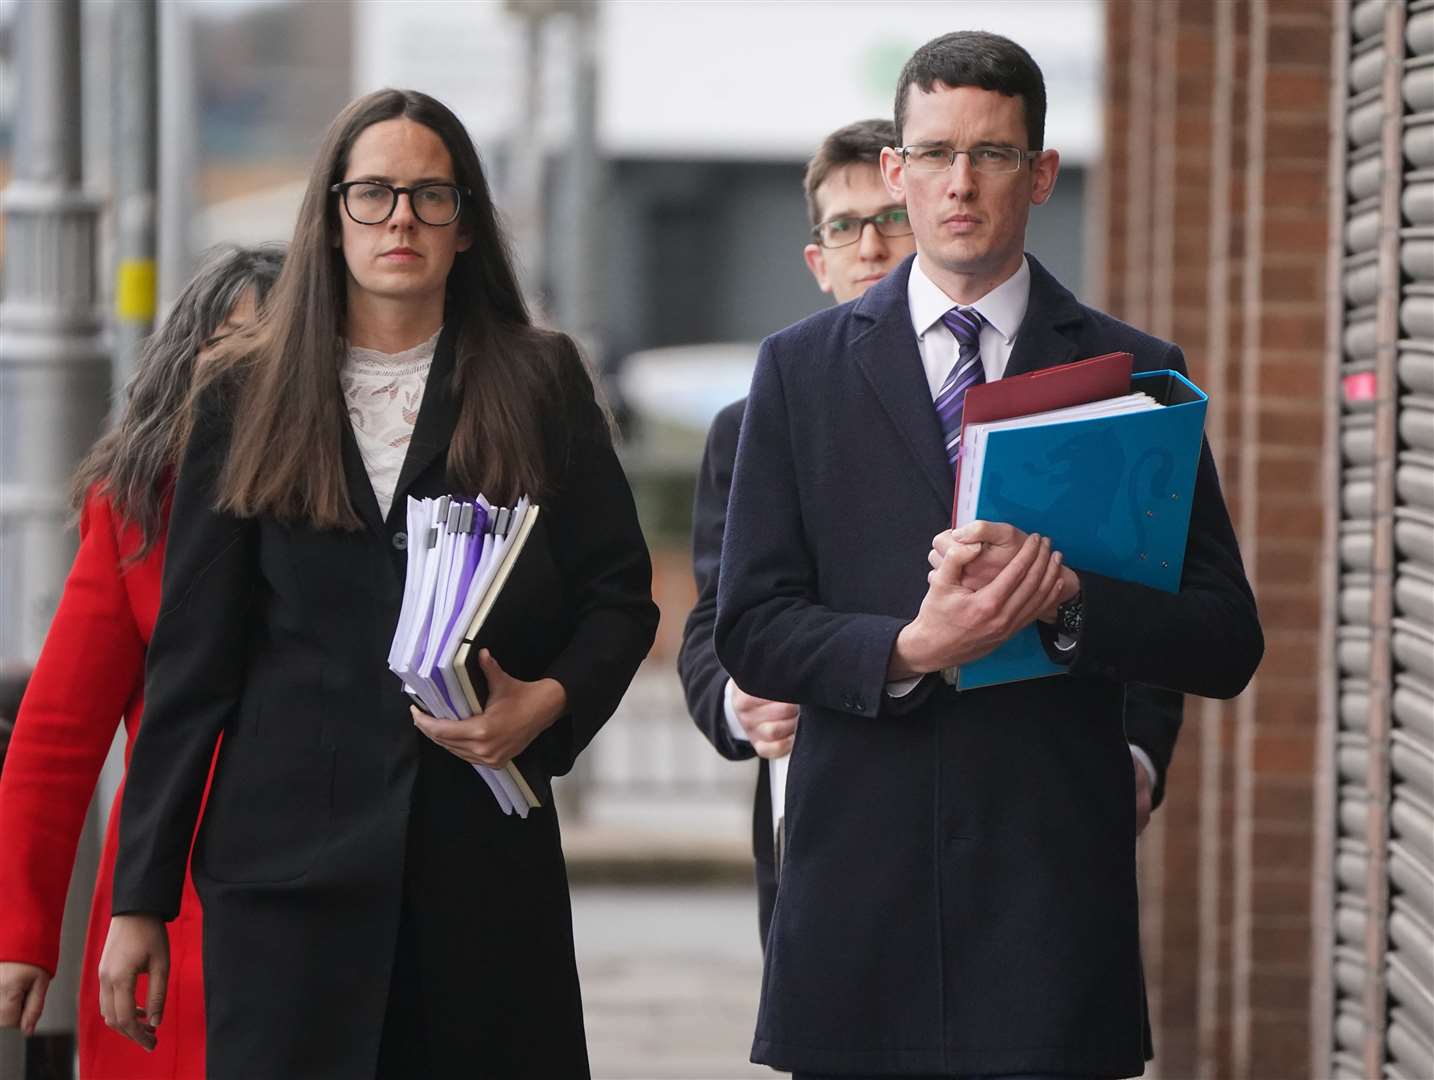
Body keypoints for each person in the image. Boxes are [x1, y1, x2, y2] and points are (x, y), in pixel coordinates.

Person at [714, 31, 1263, 1080]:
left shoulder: (1133, 372)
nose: (959, 183)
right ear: (897, 170)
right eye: (934, 153)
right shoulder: (799, 372)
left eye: (994, 154)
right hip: (857, 900)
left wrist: (1065, 603)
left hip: (1047, 899)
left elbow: (1225, 637)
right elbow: (750, 626)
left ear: (1042, 174)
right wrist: (910, 645)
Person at [98, 89, 658, 1079]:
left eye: (430, 195)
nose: (400, 217)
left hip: (480, 873)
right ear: (330, 217)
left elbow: (619, 595)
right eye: (373, 194)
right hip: (284, 883)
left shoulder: (540, 380)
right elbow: (193, 665)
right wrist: (138, 902)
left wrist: (547, 704)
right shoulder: (240, 390)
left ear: (467, 225)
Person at [679, 119, 1184, 950]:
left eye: (889, 218)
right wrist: (738, 704)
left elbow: (1137, 582)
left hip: (1026, 822)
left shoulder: (1059, 381)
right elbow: (719, 619)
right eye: (845, 226)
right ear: (818, 260)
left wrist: (1138, 752)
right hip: (829, 810)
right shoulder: (759, 417)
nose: (871, 244)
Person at [0, 245, 284, 1080]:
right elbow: (54, 741)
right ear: (186, 363)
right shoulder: (136, 510)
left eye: (280, 350)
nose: (255, 375)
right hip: (169, 898)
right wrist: (22, 935)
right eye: (233, 348)